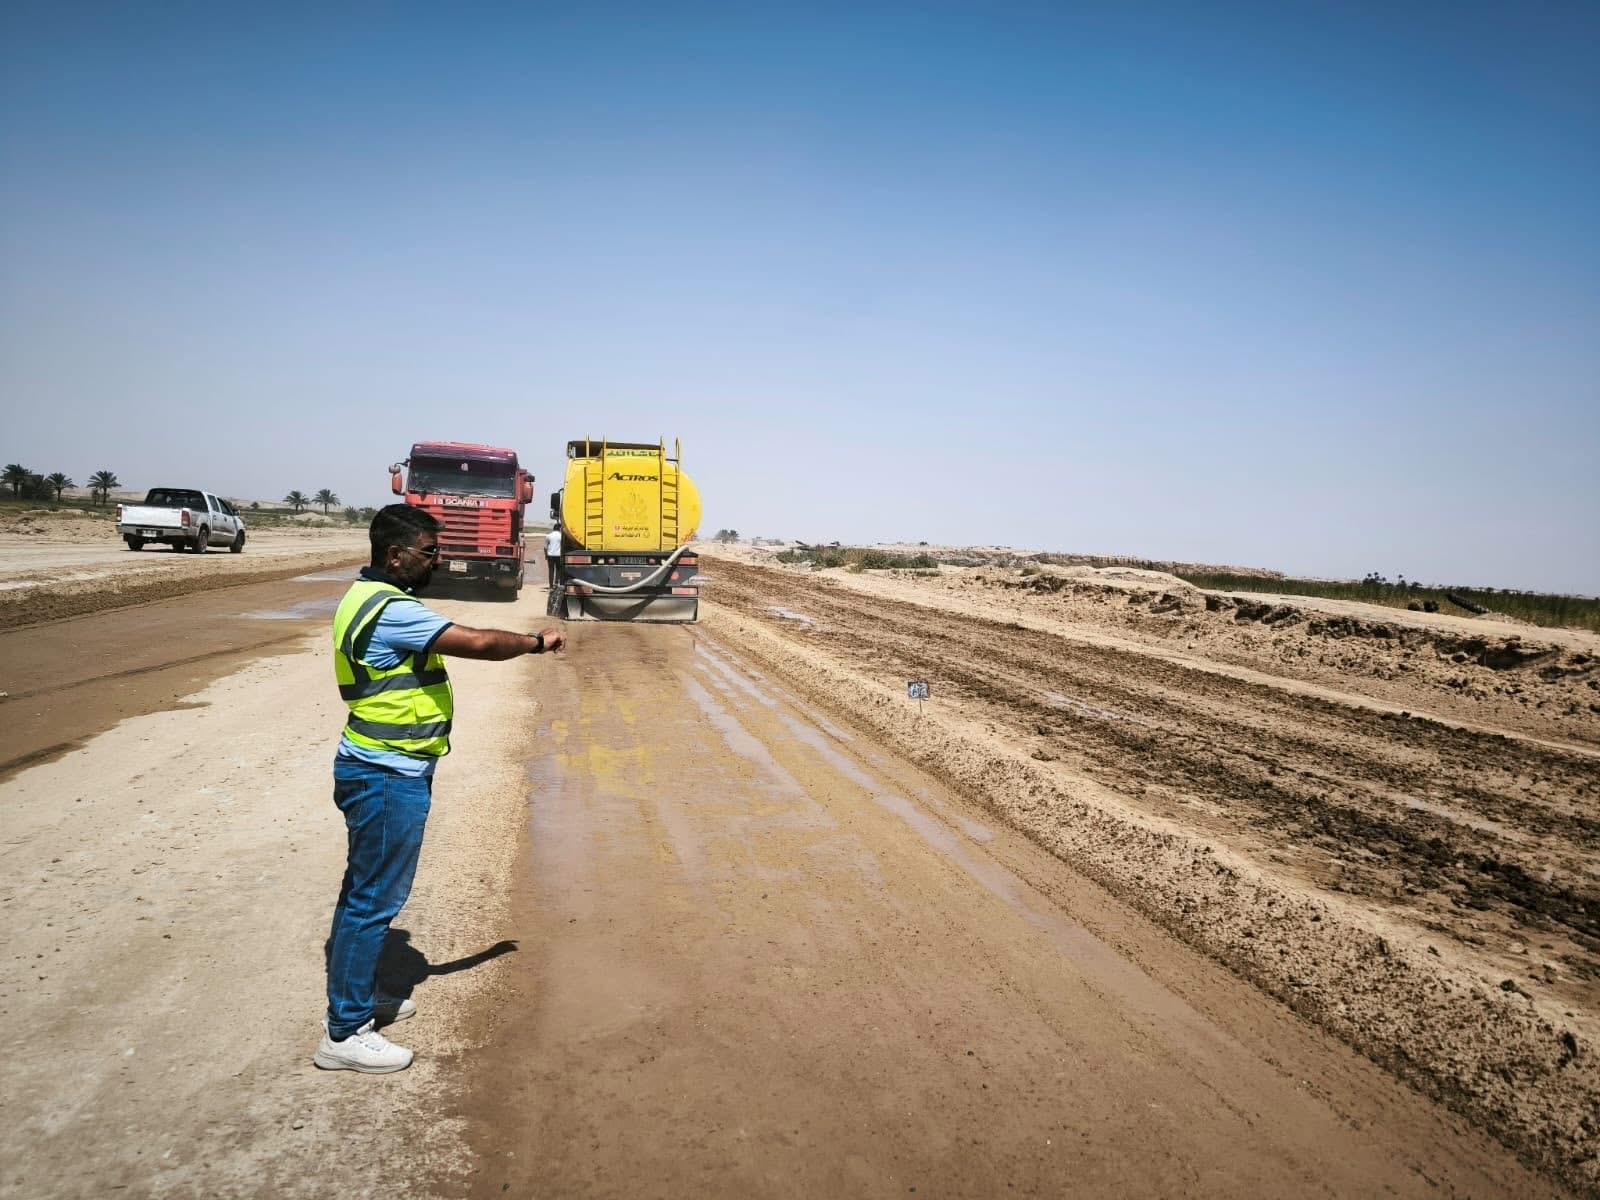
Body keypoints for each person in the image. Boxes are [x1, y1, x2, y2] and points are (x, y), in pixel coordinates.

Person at [314, 504, 564, 1074]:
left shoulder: (365, 596)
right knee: (373, 901)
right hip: (386, 773)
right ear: (395, 554)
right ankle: (345, 1032)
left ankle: (357, 997)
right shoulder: (391, 609)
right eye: (428, 551)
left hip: (380, 765)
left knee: (364, 891)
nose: (437, 559)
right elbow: (474, 642)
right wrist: (534, 643)